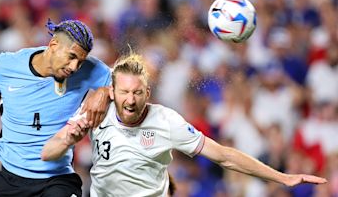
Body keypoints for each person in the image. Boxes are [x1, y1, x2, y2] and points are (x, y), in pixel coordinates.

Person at [41, 53, 327, 196]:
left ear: (147, 94)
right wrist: (67, 138)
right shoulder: (96, 112)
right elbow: (48, 152)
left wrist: (283, 177)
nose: (130, 100)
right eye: (124, 92)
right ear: (112, 92)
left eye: (137, 93)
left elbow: (225, 157)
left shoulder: (167, 122)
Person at [0, 19, 112, 197]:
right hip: (11, 179)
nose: (75, 67)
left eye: (80, 62)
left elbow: (127, 84)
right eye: (71, 57)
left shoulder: (90, 69)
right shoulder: (5, 65)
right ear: (53, 45)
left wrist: (103, 92)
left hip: (58, 179)